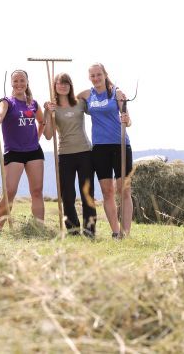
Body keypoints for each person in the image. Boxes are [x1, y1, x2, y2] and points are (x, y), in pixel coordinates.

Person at [77, 63, 132, 239]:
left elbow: (128, 120)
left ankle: (126, 232)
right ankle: (116, 232)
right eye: (92, 75)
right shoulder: (87, 94)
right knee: (107, 191)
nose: (96, 78)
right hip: (99, 148)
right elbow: (69, 98)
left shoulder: (117, 93)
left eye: (98, 75)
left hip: (120, 145)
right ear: (89, 77)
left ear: (105, 74)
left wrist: (126, 119)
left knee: (124, 190)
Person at [0, 70, 45, 231]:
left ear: (27, 82)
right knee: (10, 191)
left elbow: (42, 121)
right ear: (11, 83)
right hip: (14, 152)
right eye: (15, 81)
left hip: (34, 151)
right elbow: (0, 115)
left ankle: (39, 228)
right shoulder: (7, 102)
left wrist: (37, 137)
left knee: (36, 191)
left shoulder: (33, 103)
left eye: (22, 81)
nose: (19, 84)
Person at [44, 72, 97, 238]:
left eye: (66, 83)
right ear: (55, 86)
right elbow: (47, 135)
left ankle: (90, 231)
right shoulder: (52, 108)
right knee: (67, 195)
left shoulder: (80, 103)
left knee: (87, 193)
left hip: (85, 153)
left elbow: (95, 104)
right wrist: (47, 113)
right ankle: (73, 230)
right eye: (60, 83)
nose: (63, 86)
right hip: (65, 154)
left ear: (70, 85)